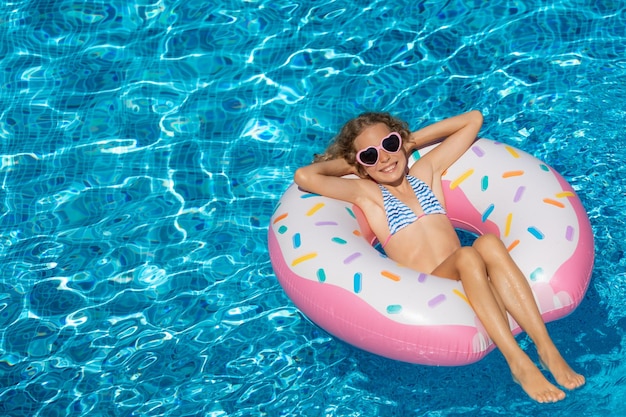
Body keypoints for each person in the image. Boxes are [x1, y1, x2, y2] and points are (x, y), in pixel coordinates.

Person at [293, 110, 585, 403]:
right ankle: (517, 362)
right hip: (431, 285)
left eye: (390, 145)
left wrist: (409, 143)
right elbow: (305, 176)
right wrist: (356, 163)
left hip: (469, 273)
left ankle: (546, 347)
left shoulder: (425, 174)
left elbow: (473, 120)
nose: (383, 158)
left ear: (401, 142)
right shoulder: (368, 195)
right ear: (361, 165)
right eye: (370, 156)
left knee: (490, 243)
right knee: (468, 256)